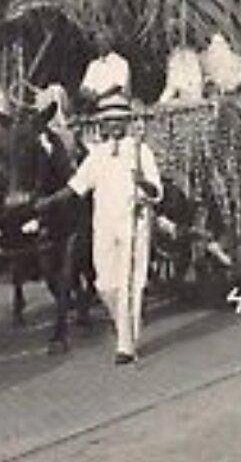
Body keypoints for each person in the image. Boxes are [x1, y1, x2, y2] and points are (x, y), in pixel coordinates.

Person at [34, 93, 162, 364]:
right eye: (108, 121)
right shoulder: (96, 156)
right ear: (101, 125)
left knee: (130, 282)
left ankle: (126, 345)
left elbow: (155, 190)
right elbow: (75, 188)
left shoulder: (140, 151)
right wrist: (46, 203)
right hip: (104, 224)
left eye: (118, 121)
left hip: (132, 222)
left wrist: (143, 184)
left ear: (126, 123)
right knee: (105, 285)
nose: (113, 126)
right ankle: (124, 326)